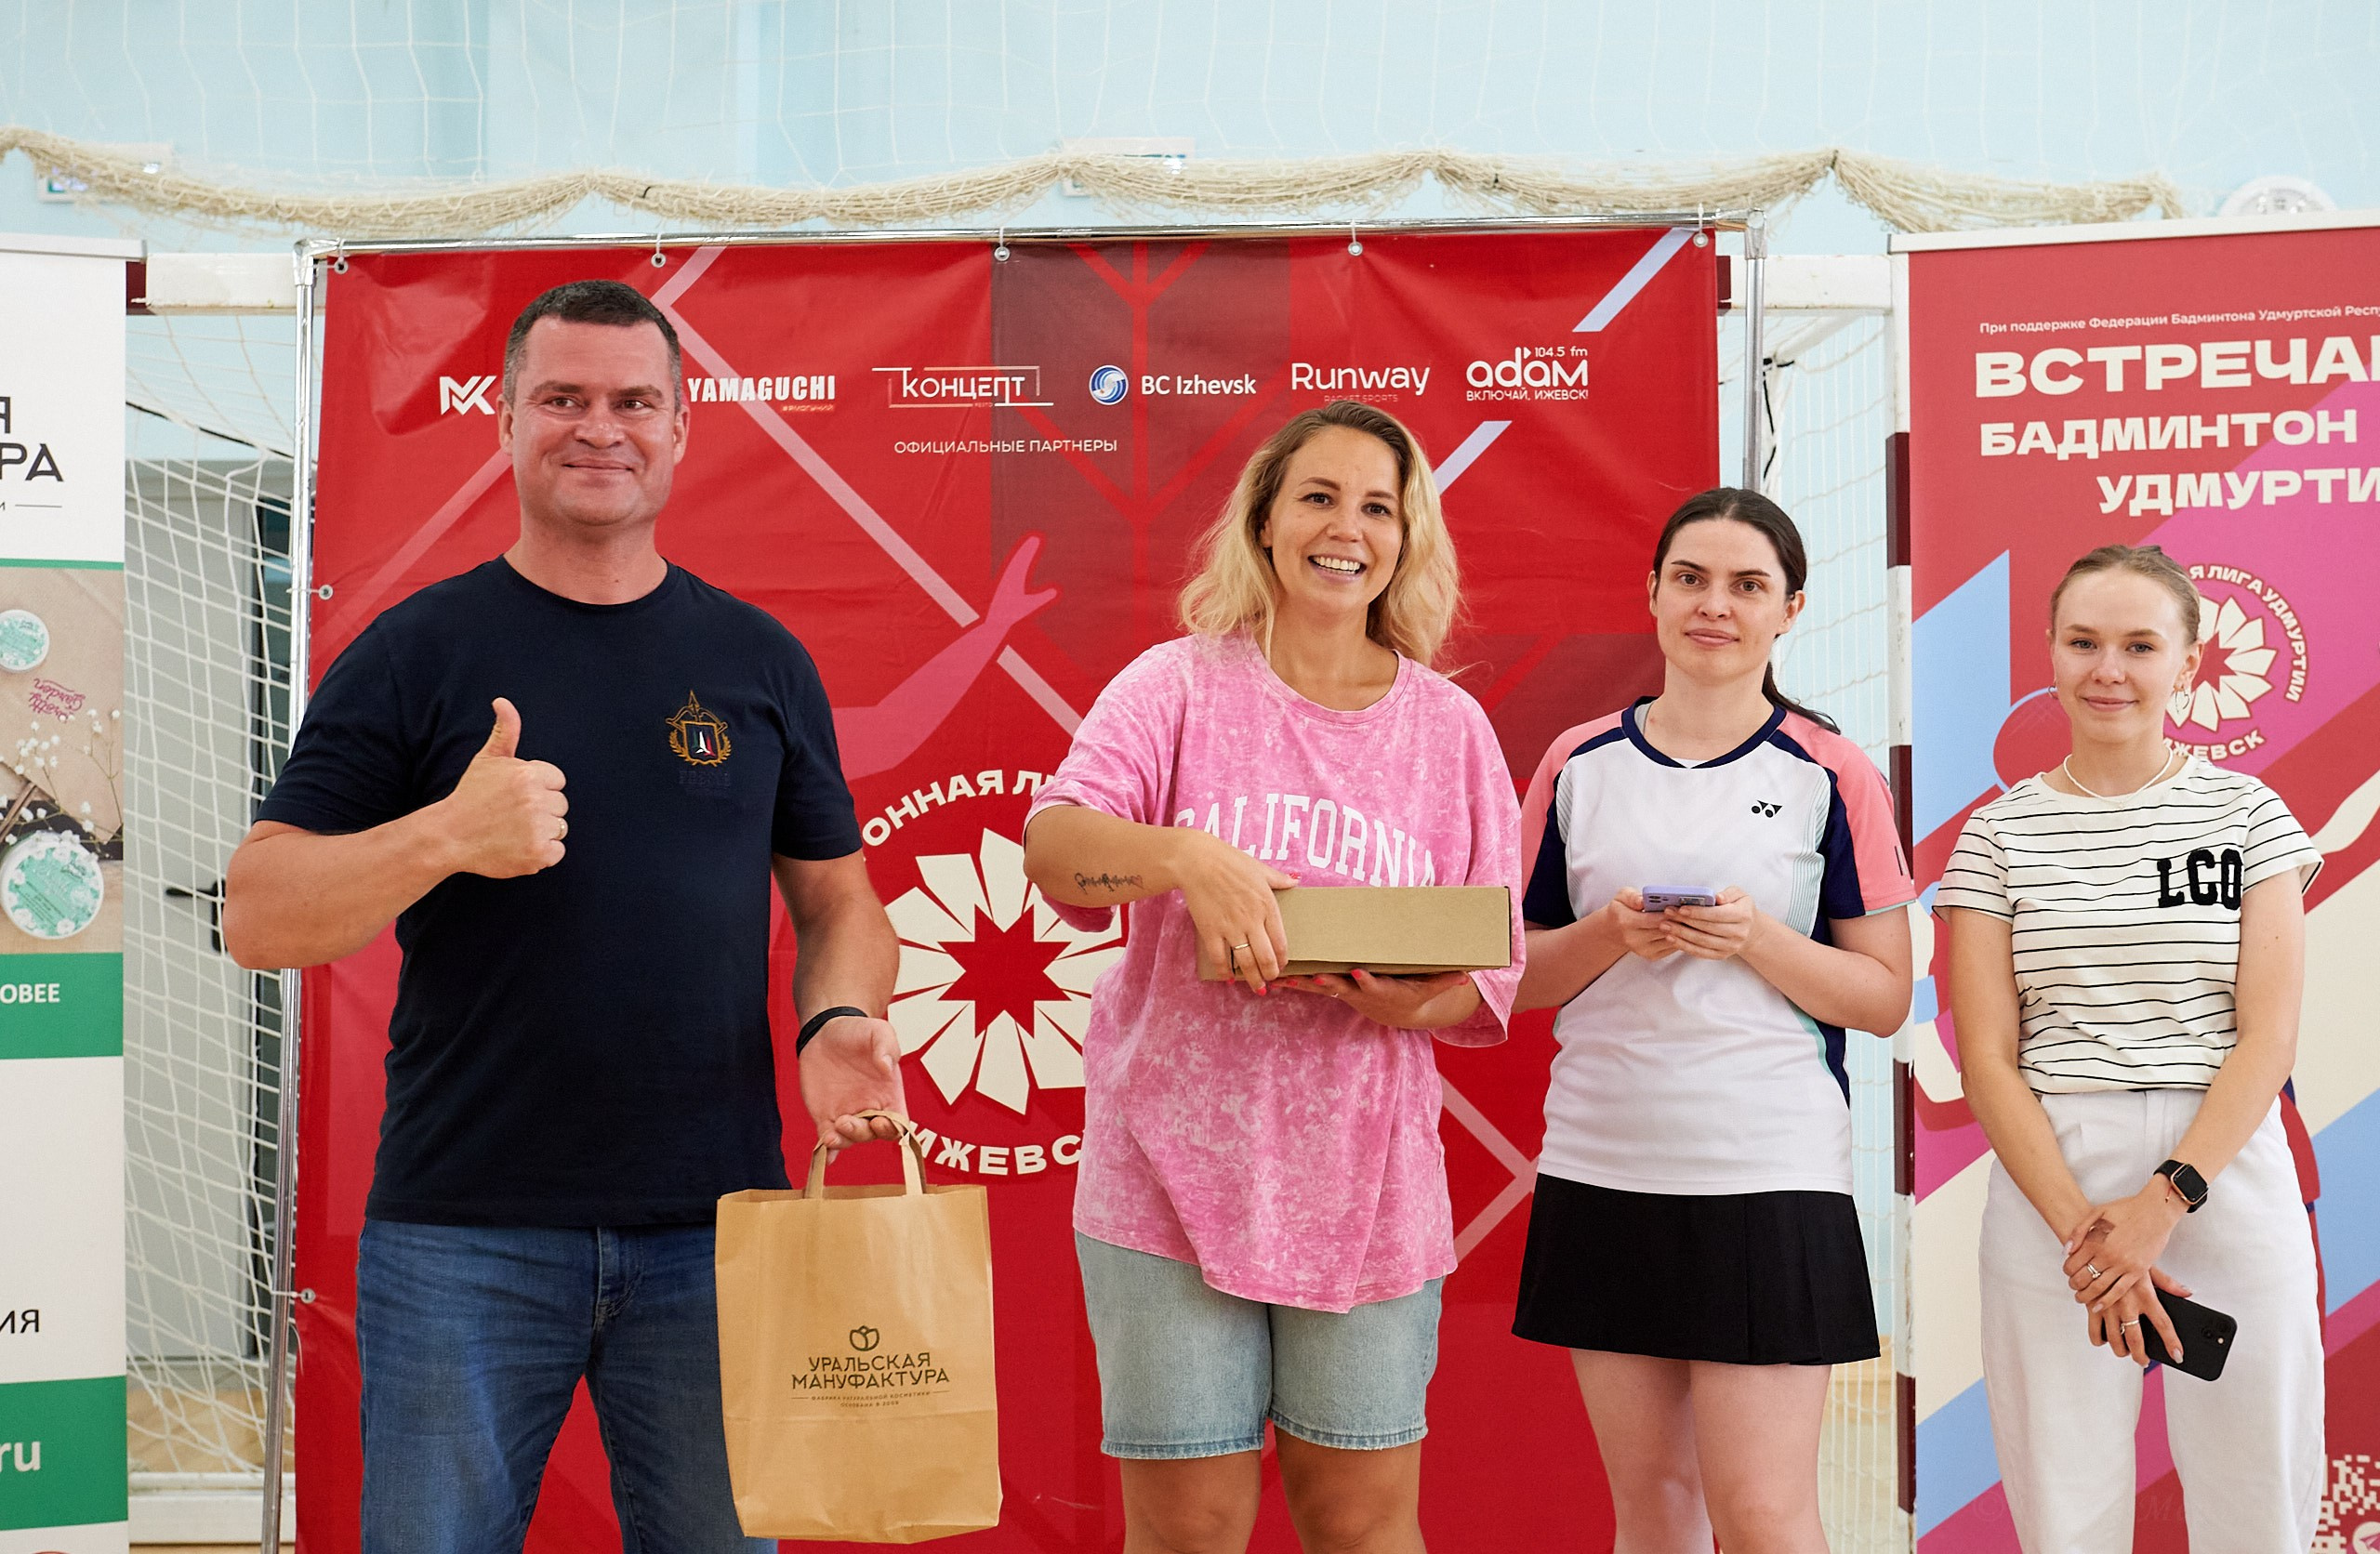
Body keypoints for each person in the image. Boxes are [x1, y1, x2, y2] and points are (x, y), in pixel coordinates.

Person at [221, 279, 906, 1554]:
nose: (602, 428)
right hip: (463, 1236)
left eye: (634, 401)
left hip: (716, 1235)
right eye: (564, 399)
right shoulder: (413, 651)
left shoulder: (757, 660)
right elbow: (257, 916)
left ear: (682, 426)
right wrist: (446, 836)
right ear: (506, 420)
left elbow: (841, 901)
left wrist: (840, 1015)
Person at [1019, 400, 1523, 1554]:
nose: (1346, 528)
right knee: (1189, 1530)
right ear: (1264, 518)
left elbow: (1487, 973)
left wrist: (1413, 999)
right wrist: (1187, 858)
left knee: (1360, 1527)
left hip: (1370, 1191)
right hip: (1166, 1182)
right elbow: (1056, 847)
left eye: (1377, 507)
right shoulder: (1176, 685)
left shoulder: (1447, 732)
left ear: (1407, 539)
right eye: (1318, 496)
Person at [1510, 488, 1914, 1554]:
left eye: (1746, 586)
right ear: (1650, 593)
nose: (1714, 605)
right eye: (1690, 578)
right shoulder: (1575, 763)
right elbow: (1511, 977)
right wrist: (1609, 934)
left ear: (1790, 610)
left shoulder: (1833, 772)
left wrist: (1757, 942)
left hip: (1769, 1173)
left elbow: (1883, 999)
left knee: (1764, 1516)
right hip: (1603, 1166)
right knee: (1653, 1510)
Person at [1937, 543, 2322, 1551]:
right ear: (2052, 654)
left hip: (2223, 1162)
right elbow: (1987, 1058)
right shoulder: (1995, 836)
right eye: (2084, 641)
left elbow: (2266, 1035)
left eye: (2139, 645)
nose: (2108, 669)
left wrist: (2161, 1204)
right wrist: (2087, 1236)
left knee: (2259, 1500)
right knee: (2066, 1512)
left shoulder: (2249, 815)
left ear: (2187, 664)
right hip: (2050, 1174)